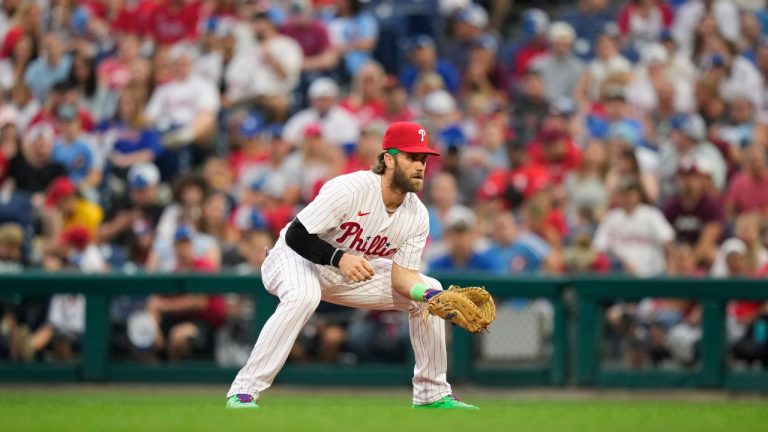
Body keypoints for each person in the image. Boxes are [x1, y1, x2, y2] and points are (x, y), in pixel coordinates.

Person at [226, 122, 478, 410]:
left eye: (423, 159)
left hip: (348, 273)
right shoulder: (351, 188)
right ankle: (244, 391)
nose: (420, 166)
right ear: (389, 159)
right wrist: (338, 258)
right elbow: (297, 234)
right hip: (295, 259)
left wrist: (430, 297)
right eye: (411, 157)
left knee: (431, 289)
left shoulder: (417, 214)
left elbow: (403, 278)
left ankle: (431, 394)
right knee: (304, 296)